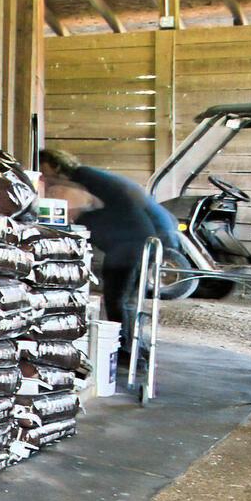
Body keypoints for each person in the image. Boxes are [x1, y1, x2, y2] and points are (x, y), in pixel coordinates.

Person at [39, 149, 189, 373]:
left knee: (118, 300)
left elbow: (77, 205)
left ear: (55, 165)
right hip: (137, 240)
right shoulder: (88, 177)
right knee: (128, 301)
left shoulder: (83, 178)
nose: (42, 172)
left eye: (43, 167)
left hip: (127, 243)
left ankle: (127, 354)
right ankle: (138, 351)